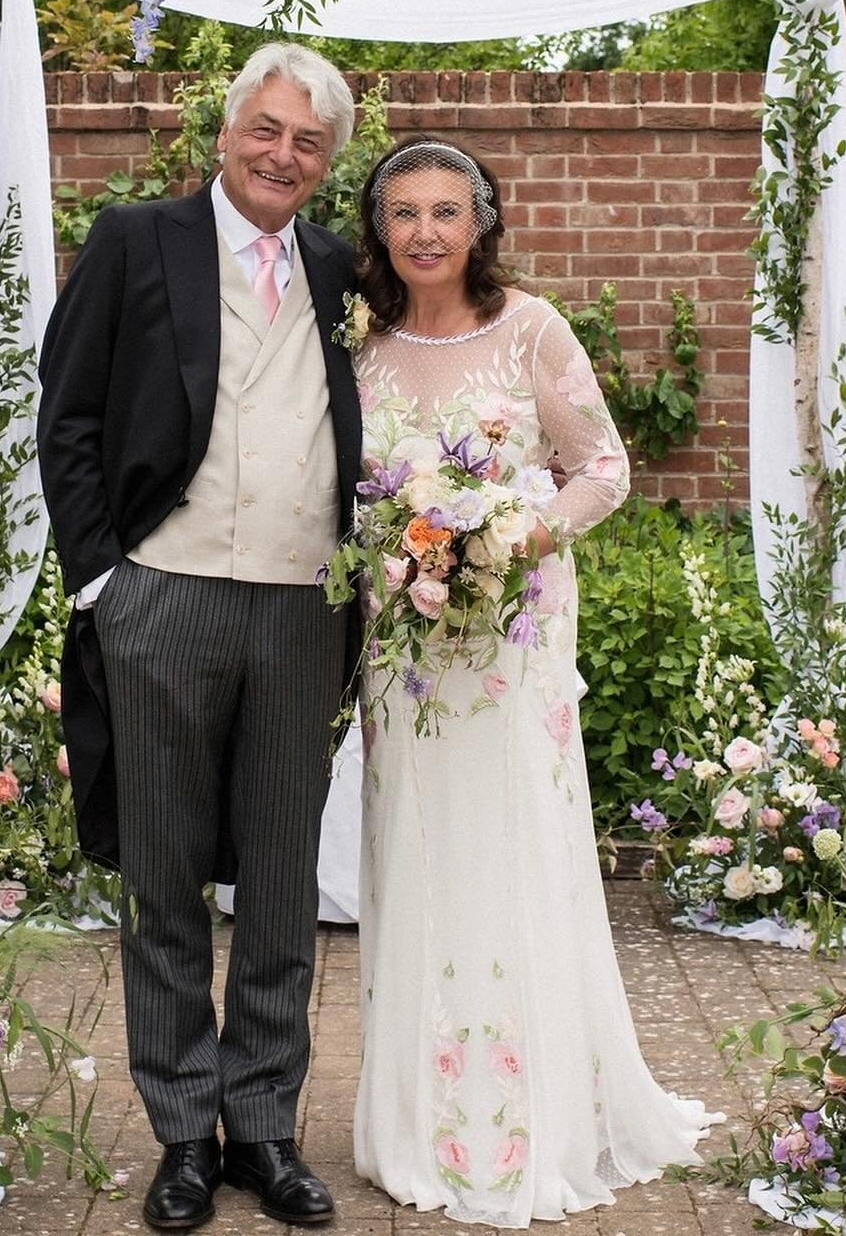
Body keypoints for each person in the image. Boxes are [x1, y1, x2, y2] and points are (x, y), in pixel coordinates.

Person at [350, 137, 720, 1227]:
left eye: (446, 211)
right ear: (379, 228)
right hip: (405, 661)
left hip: (511, 650)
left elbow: (602, 467)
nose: (425, 231)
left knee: (511, 847)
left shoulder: (532, 328)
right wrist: (393, 558)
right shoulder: (361, 345)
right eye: (404, 212)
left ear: (482, 223)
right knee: (415, 854)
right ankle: (418, 1118)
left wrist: (513, 538)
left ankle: (534, 1118)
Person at [37, 43, 362, 1231]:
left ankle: (264, 1128)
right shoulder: (136, 242)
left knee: (283, 875)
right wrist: (101, 583)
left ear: (327, 164)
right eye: (267, 130)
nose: (283, 154)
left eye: (308, 141)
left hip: (301, 606)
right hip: (158, 595)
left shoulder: (341, 268)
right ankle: (182, 1132)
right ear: (226, 133)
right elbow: (65, 415)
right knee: (163, 876)